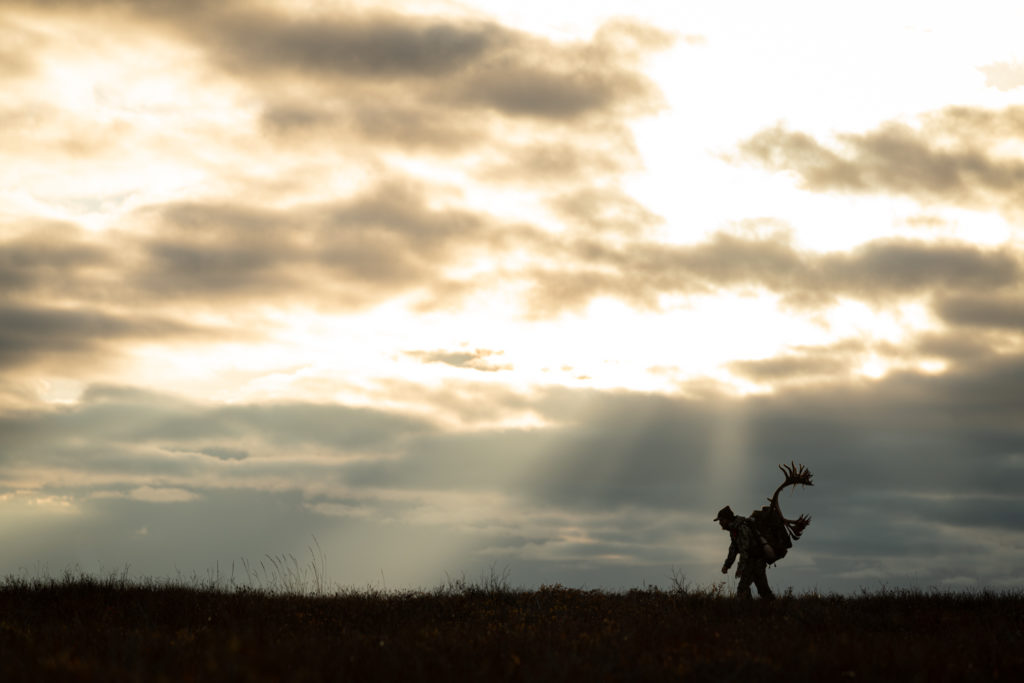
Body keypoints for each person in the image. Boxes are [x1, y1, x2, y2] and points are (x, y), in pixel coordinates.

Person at [714, 505, 775, 600]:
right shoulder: (734, 529)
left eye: (721, 520)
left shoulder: (741, 528)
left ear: (727, 519)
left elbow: (744, 550)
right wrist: (727, 565)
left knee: (742, 589)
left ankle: (746, 611)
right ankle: (772, 608)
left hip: (754, 561)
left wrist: (740, 568)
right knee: (763, 589)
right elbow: (733, 549)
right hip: (755, 560)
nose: (720, 523)